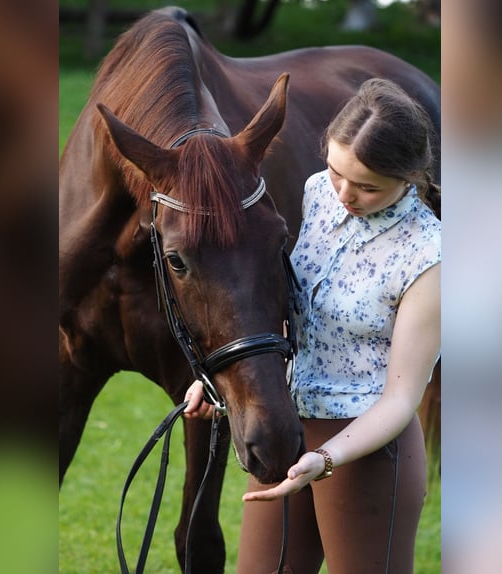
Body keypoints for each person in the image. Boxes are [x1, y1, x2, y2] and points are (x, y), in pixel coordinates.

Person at [184, 78, 441, 573]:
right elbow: (292, 311)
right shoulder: (317, 194)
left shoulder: (430, 256)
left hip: (368, 452)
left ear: (409, 177)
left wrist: (323, 460)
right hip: (285, 426)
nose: (345, 193)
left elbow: (401, 399)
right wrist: (215, 378)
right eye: (336, 171)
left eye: (368, 186)